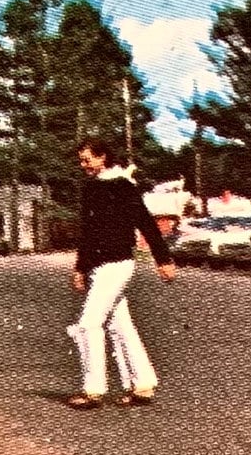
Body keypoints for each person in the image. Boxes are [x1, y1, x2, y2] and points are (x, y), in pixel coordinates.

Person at [67, 138, 175, 410]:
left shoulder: (123, 185)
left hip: (118, 264)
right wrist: (81, 268)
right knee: (120, 326)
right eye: (81, 160)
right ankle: (143, 384)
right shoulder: (91, 188)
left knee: (88, 324)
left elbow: (145, 222)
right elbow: (88, 233)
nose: (83, 165)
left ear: (103, 157)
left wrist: (163, 258)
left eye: (87, 159)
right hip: (98, 266)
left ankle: (93, 390)